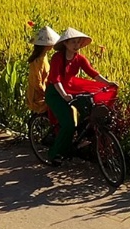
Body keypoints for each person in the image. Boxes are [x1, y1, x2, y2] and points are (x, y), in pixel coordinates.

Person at [44, 27, 116, 164]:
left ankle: (81, 138)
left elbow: (92, 73)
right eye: (73, 43)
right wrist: (64, 95)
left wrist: (108, 83)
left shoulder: (80, 58)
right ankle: (54, 154)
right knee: (68, 124)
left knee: (89, 109)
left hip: (71, 89)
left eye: (78, 43)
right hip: (55, 93)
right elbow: (56, 79)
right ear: (65, 44)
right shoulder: (57, 58)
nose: (77, 46)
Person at [26, 25, 60, 116]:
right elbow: (37, 82)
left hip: (45, 90)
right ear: (45, 45)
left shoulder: (44, 57)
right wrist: (46, 93)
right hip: (38, 96)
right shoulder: (37, 61)